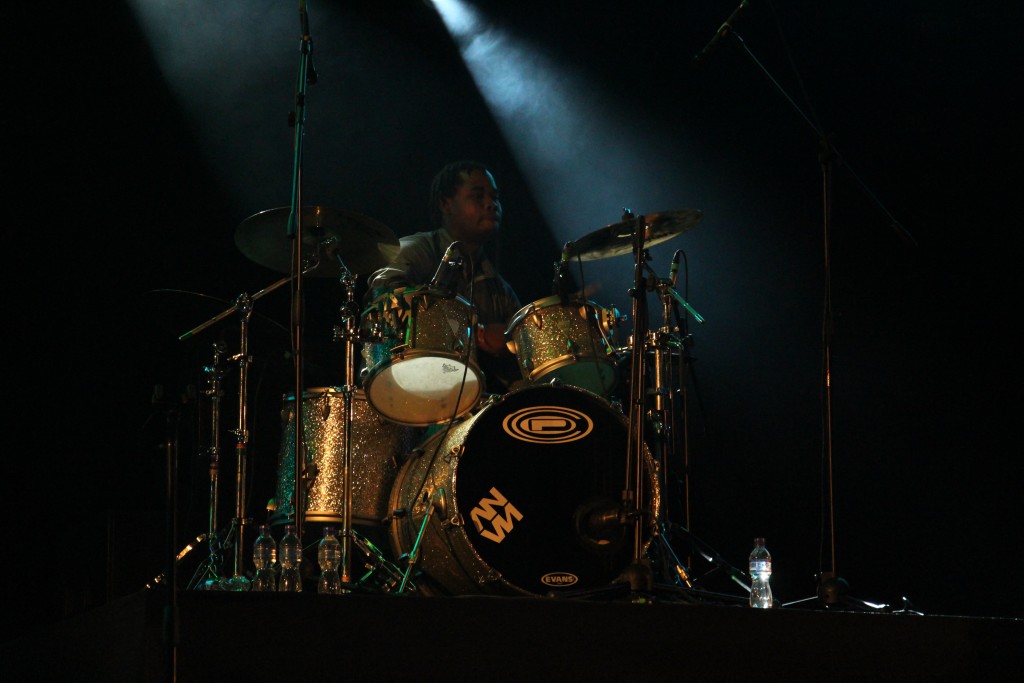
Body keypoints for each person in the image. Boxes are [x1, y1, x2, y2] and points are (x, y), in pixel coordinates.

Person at [363, 160, 522, 395]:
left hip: (471, 402)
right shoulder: (417, 250)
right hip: (404, 389)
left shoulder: (500, 289)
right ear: (446, 204)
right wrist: (477, 332)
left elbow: (524, 362)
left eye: (494, 197)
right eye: (478, 196)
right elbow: (384, 295)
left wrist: (512, 342)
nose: (490, 204)